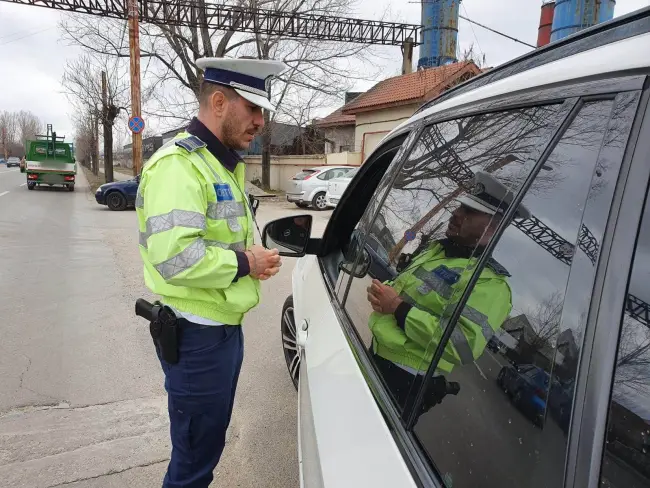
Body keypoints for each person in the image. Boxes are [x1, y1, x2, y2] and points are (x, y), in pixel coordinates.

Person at [136, 57, 286, 488]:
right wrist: (245, 263)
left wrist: (247, 261)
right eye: (253, 109)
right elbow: (174, 257)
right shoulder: (179, 165)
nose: (260, 121)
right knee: (194, 462)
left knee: (206, 446)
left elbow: (212, 239)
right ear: (219, 101)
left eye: (263, 111)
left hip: (219, 331)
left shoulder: (219, 164)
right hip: (197, 337)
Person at [366, 171, 530, 412]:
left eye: (469, 212)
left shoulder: (491, 285)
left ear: (493, 228)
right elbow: (407, 289)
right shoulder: (438, 251)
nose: (456, 213)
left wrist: (397, 307)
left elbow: (462, 345)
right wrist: (383, 294)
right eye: (461, 207)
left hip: (404, 378)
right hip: (377, 351)